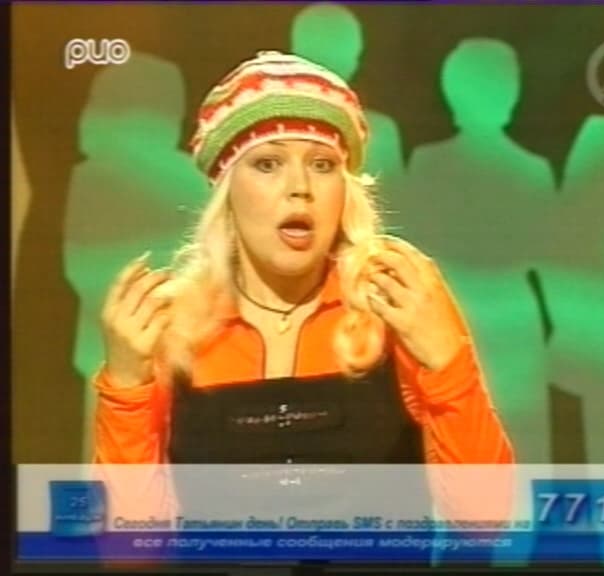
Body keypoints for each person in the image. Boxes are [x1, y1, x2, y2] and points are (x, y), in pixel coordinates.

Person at [92, 51, 513, 521]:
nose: (300, 187)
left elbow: (485, 520)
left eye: (322, 164)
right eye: (268, 164)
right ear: (227, 190)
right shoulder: (174, 332)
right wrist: (126, 388)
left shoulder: (392, 307)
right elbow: (132, 545)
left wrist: (448, 363)